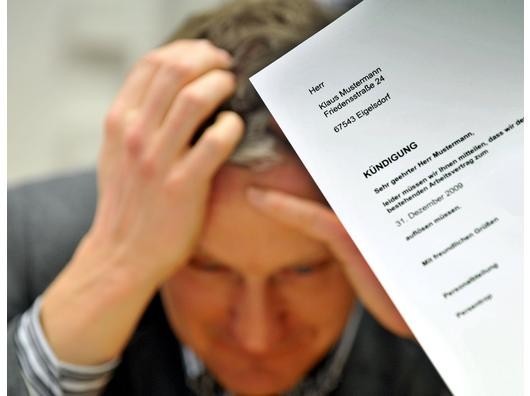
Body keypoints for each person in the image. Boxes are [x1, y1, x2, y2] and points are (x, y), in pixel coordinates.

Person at [7, 0, 451, 395]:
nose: (257, 336)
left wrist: (465, 336)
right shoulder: (28, 241)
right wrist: (114, 268)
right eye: (208, 266)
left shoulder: (437, 271)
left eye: (303, 269)